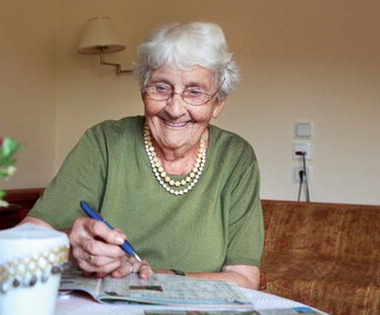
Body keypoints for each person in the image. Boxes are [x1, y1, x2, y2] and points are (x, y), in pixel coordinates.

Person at [23, 22, 263, 289]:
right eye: (161, 88)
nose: (174, 108)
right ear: (142, 91)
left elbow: (244, 279)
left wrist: (159, 276)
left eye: (195, 92)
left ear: (218, 103)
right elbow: (24, 241)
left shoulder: (235, 158)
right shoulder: (105, 142)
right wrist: (68, 247)